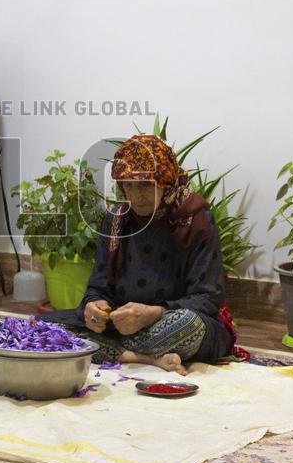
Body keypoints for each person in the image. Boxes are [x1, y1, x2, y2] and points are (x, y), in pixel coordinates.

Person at [39, 134, 244, 375]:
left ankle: (105, 351)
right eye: (129, 185)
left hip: (174, 322)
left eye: (146, 184)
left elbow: (207, 297)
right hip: (122, 325)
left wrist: (152, 314)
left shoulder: (194, 218)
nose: (136, 196)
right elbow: (98, 285)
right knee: (42, 327)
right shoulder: (116, 220)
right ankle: (145, 358)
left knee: (187, 325)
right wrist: (94, 306)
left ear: (165, 180)